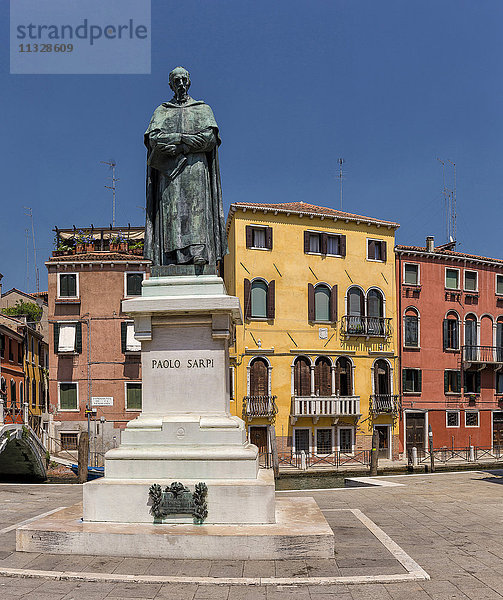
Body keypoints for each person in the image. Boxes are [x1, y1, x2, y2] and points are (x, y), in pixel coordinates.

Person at [144, 66, 227, 269]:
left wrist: (179, 145)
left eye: (183, 80)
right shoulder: (162, 111)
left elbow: (209, 139)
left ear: (189, 82)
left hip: (195, 170)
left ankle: (198, 253)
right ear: (171, 85)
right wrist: (183, 138)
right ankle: (172, 256)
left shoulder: (202, 109)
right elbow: (154, 139)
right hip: (169, 172)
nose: (181, 84)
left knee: (196, 210)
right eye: (176, 81)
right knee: (171, 211)